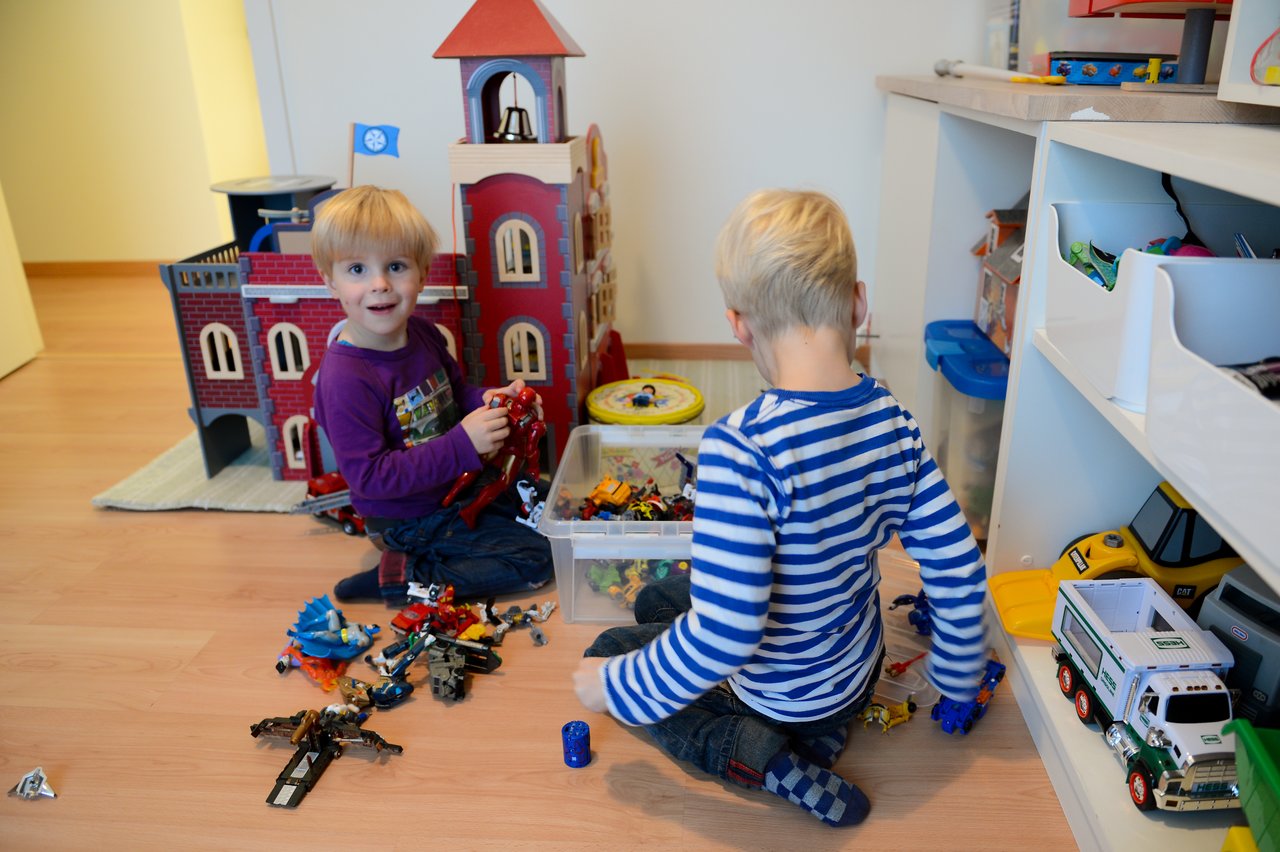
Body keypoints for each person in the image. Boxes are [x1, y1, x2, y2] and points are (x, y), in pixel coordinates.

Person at [572, 189, 987, 827]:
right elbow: (957, 567)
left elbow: (726, 638)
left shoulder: (740, 448)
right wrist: (958, 677)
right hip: (854, 672)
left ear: (737, 323)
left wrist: (614, 689)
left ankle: (761, 757)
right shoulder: (894, 424)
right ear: (858, 302)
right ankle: (821, 732)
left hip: (778, 694)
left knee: (610, 648)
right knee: (659, 598)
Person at [310, 185, 553, 604]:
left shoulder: (421, 334)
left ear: (422, 273)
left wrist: (491, 401)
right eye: (357, 270)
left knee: (549, 505)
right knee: (534, 558)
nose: (380, 284)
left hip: (458, 487)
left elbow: (455, 393)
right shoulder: (345, 377)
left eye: (396, 266)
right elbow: (371, 478)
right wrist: (463, 444)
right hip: (406, 517)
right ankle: (404, 575)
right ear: (329, 280)